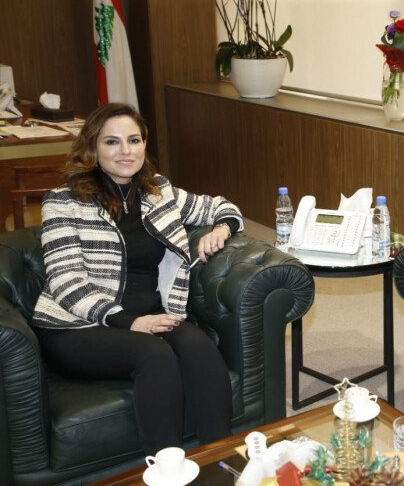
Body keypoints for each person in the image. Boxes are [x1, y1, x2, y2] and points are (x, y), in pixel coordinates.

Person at [30, 103, 244, 455]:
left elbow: (223, 207)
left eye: (134, 140)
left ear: (145, 144)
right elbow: (66, 282)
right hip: (76, 327)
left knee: (199, 348)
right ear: (92, 147)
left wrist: (220, 229)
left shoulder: (159, 192)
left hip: (152, 315)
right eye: (112, 142)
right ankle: (166, 470)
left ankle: (220, 462)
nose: (126, 151)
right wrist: (128, 322)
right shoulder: (63, 202)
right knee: (154, 355)